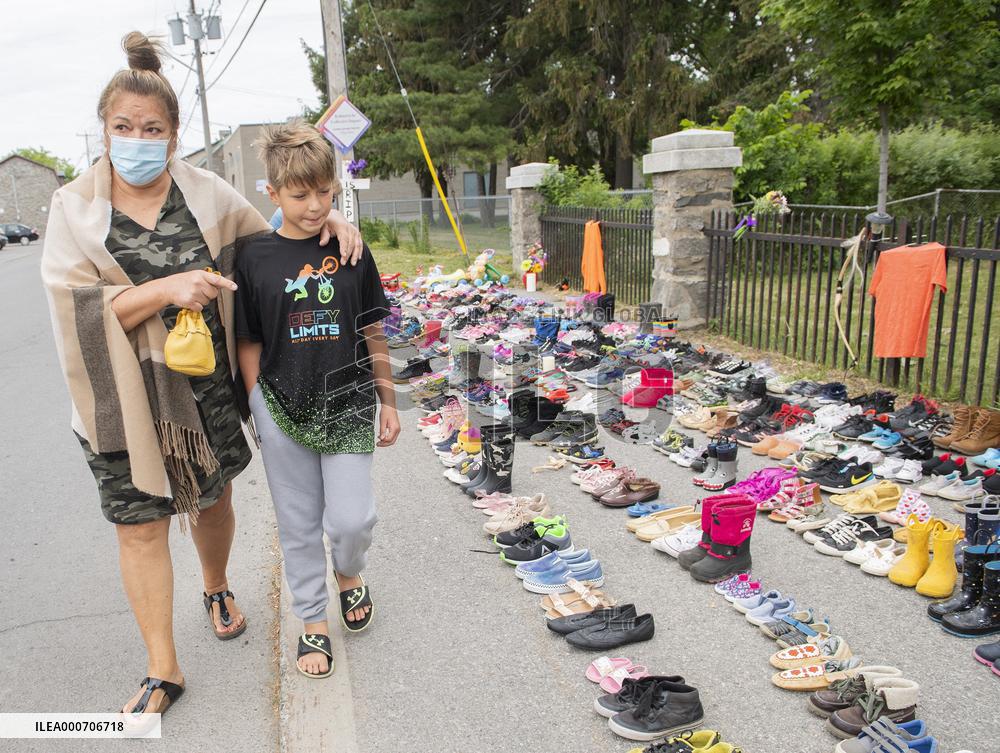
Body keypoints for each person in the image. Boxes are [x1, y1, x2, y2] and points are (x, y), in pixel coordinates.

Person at [40, 32, 363, 717]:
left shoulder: (206, 193)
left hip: (205, 388)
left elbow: (274, 241)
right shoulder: (74, 209)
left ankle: (215, 583)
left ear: (174, 133)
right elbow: (75, 308)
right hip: (122, 399)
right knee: (140, 525)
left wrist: (326, 213)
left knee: (212, 500)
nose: (136, 138)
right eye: (123, 126)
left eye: (151, 127)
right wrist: (165, 290)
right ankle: (164, 666)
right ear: (103, 130)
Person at [235, 121, 400, 679]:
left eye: (323, 193)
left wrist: (390, 402)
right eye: (299, 195)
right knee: (298, 521)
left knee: (352, 520)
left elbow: (373, 330)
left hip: (349, 401)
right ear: (273, 193)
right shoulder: (253, 257)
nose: (313, 205)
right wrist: (258, 402)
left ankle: (349, 574)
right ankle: (312, 620)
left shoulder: (351, 249)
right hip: (281, 404)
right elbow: (249, 338)